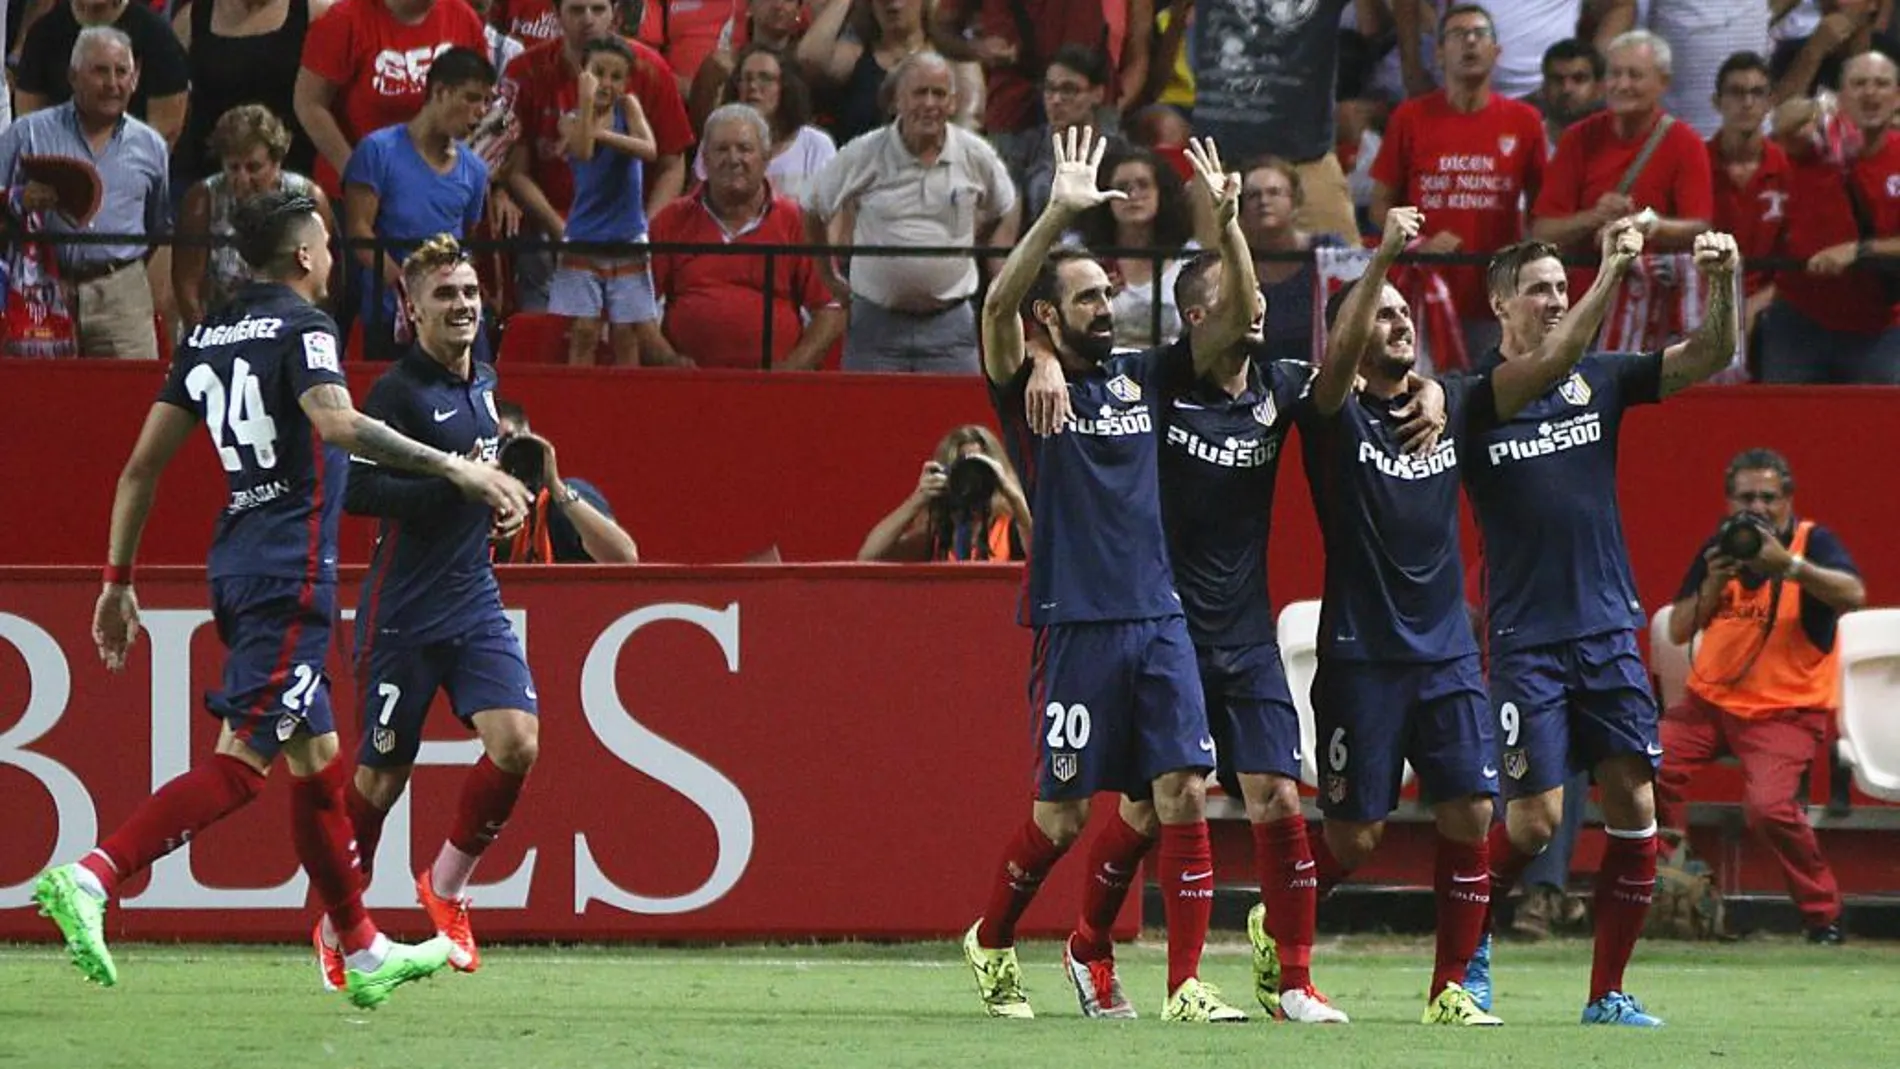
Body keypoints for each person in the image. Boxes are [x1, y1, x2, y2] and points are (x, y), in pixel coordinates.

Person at [29, 189, 529, 1008]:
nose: (333, 257)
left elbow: (140, 470)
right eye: (327, 244)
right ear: (303, 256)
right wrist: (455, 466)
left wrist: (117, 581)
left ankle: (360, 945)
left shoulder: (206, 334)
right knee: (242, 766)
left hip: (238, 559)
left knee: (320, 767)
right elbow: (338, 426)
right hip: (290, 571)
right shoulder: (306, 329)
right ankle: (93, 875)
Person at [1303, 210, 1646, 1026]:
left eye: (1403, 314)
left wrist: (1610, 274)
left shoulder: (1452, 400)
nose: (1398, 324)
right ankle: (1283, 930)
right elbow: (1336, 362)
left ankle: (1452, 985)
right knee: (1355, 839)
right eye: (1379, 312)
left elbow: (1557, 356)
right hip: (1360, 651)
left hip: (1450, 649)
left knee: (1475, 812)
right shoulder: (1326, 410)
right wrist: (1385, 252)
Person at [961, 129, 1252, 1023]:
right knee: (1060, 818)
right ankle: (993, 937)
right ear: (1048, 318)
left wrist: (1228, 223)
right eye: (1086, 298)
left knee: (1177, 793)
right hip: (1076, 619)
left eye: (1107, 294)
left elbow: (1238, 322)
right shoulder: (1026, 383)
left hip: (1159, 616)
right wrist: (1055, 213)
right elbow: (995, 312)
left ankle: (1178, 982)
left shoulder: (1142, 379)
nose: (1106, 306)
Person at [1461, 227, 1743, 1027]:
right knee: (1534, 818)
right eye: (1539, 288)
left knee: (1634, 807)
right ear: (1499, 303)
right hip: (1525, 640)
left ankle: (1607, 992)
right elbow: (1545, 361)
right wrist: (1614, 268)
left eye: (1562, 286)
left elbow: (1708, 354)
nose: (1553, 300)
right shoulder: (1481, 394)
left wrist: (1722, 279)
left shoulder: (1601, 379)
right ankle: (1469, 949)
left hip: (1607, 631)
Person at [323, 234, 542, 987]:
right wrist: (460, 486)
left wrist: (500, 503)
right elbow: (355, 491)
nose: (463, 306)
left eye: (472, 294)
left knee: (517, 742)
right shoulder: (396, 394)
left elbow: (476, 482)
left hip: (472, 599)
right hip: (403, 611)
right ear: (409, 309)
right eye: (445, 295)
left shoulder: (484, 378)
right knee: (381, 778)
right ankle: (337, 920)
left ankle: (444, 886)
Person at [1657, 448, 1864, 944]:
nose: (1759, 508)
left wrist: (1790, 566)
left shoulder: (1813, 542)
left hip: (1785, 711)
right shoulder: (1723, 546)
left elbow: (1852, 595)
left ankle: (1823, 915)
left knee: (1769, 808)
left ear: (1788, 499)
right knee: (1641, 763)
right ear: (1729, 503)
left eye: (1769, 497)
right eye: (1747, 497)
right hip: (1710, 705)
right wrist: (1713, 583)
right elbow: (1681, 628)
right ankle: (1675, 873)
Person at [800, 50, 1019, 374]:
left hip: (952, 329)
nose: (930, 103)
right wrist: (827, 276)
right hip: (875, 328)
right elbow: (812, 207)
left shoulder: (975, 154)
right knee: (869, 422)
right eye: (919, 93)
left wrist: (970, 246)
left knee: (960, 421)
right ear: (896, 101)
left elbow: (1005, 205)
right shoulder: (864, 152)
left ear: (953, 103)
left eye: (939, 94)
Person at [1371, 3, 1549, 357]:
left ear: (1496, 52)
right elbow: (1379, 208)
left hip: (1497, 294)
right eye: (1457, 34)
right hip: (1423, 293)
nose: (1470, 42)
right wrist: (1421, 243)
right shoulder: (1410, 117)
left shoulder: (1525, 120)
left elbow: (1543, 215)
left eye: (1479, 34)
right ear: (1438, 53)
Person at [0, 27, 169, 360]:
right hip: (39, 293)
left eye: (122, 72)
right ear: (73, 76)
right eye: (100, 71)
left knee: (128, 404)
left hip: (122, 297)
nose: (113, 83)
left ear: (135, 79)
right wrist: (21, 198)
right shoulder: (28, 133)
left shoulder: (152, 146)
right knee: (39, 402)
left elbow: (158, 226)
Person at [342, 46, 494, 360]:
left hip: (453, 317)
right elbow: (358, 231)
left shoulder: (476, 170)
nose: (481, 111)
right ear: (440, 91)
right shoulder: (377, 151)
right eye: (471, 98)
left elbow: (467, 239)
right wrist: (407, 285)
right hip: (390, 316)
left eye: (487, 101)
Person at [549, 35, 660, 366]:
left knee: (626, 332)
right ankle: (576, 403)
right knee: (584, 329)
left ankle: (627, 408)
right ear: (584, 73)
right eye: (599, 72)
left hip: (627, 235)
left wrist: (604, 134)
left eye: (616, 76)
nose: (607, 83)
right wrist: (586, 107)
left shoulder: (629, 108)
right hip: (584, 236)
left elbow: (649, 149)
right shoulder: (570, 119)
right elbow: (582, 150)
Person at [174, 104, 334, 330]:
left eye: (254, 168)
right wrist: (204, 340)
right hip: (220, 327)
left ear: (277, 162)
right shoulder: (203, 200)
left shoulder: (307, 198)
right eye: (233, 168)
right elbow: (187, 286)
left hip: (289, 326)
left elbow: (324, 281)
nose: (243, 179)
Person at [492, 398, 641, 564]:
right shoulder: (468, 511)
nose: (499, 459)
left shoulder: (557, 502)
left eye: (507, 445)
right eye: (492, 448)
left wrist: (556, 487)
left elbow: (624, 559)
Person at [857, 425, 1030, 562]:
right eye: (962, 470)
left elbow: (1043, 559)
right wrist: (917, 499)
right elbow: (869, 557)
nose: (970, 480)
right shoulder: (938, 536)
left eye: (977, 470)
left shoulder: (1012, 529)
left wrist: (1012, 495)